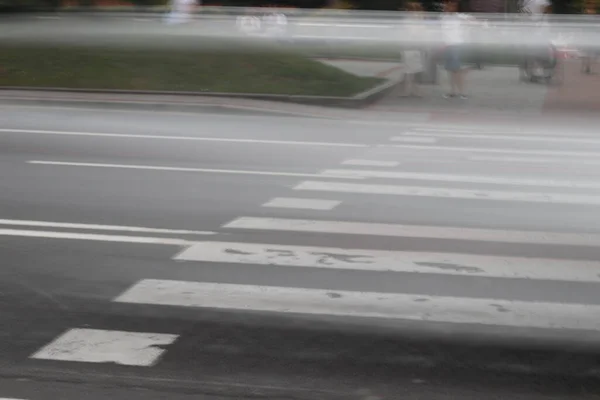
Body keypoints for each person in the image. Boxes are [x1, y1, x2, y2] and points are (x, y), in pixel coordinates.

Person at [440, 0, 471, 99]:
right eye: (448, 5)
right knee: (450, 70)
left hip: (456, 46)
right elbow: (442, 31)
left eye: (452, 5)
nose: (449, 7)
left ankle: (462, 92)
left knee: (457, 70)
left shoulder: (460, 17)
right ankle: (452, 91)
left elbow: (471, 21)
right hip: (447, 46)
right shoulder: (444, 18)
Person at [400, 2, 426, 97]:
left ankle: (413, 90)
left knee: (415, 70)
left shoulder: (418, 21)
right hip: (409, 47)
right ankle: (408, 91)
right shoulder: (408, 21)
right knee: (409, 70)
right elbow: (412, 34)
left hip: (416, 47)